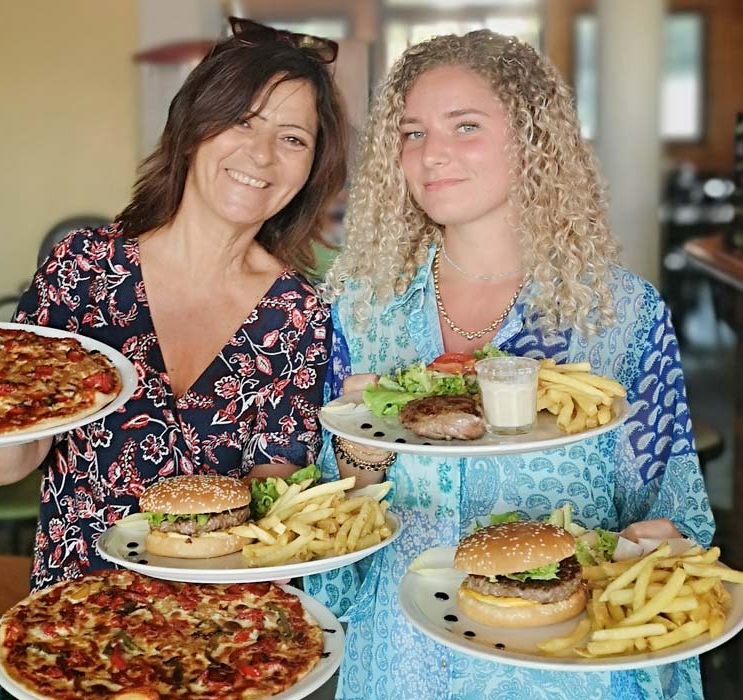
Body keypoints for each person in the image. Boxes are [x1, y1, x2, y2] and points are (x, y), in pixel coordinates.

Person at [302, 31, 714, 699]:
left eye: (465, 126)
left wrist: (664, 546)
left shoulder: (622, 318)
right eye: (412, 133)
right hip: (400, 670)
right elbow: (331, 570)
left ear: (533, 140)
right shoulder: (360, 312)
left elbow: (675, 518)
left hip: (562, 672)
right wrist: (359, 460)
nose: (433, 154)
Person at [0, 17, 348, 591]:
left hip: (227, 629)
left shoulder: (300, 312)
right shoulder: (83, 268)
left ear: (311, 169)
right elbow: (4, 468)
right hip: (76, 616)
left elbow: (274, 494)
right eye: (241, 121)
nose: (261, 155)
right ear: (191, 128)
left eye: (292, 138)